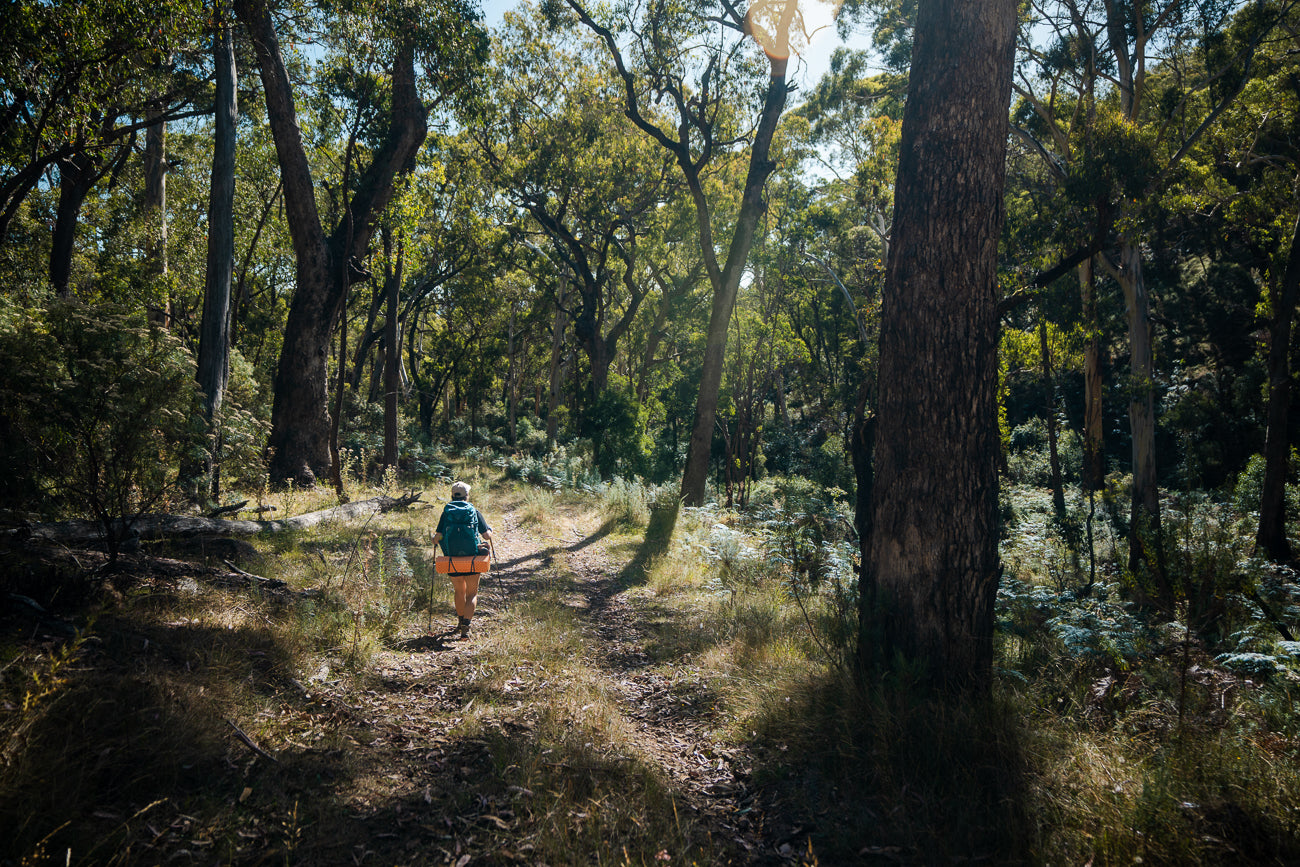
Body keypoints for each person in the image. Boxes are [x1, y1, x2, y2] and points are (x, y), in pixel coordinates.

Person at [432, 481, 494, 638]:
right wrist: (490, 532)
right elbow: (486, 535)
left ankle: (460, 622)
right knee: (472, 593)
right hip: (472, 558)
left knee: (459, 591)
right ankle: (466, 626)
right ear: (467, 495)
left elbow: (437, 537)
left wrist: (434, 539)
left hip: (452, 558)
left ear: (452, 495)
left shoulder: (446, 513)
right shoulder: (473, 511)